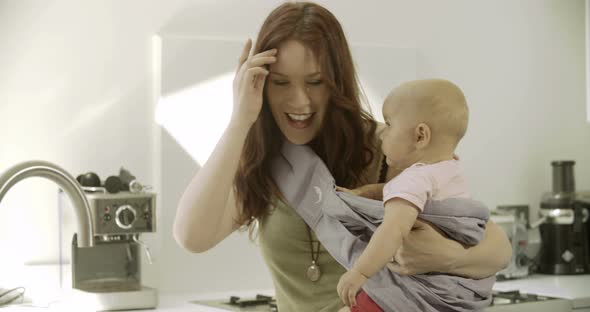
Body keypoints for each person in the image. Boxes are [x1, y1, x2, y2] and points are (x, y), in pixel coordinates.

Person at [173, 2, 511, 312]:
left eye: (315, 82)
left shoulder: (392, 148)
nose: (299, 101)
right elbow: (191, 236)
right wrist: (240, 119)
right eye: (280, 83)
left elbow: (496, 248)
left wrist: (448, 257)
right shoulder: (268, 162)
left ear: (337, 81)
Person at [336, 79, 491, 311]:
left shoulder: (415, 179)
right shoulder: (452, 170)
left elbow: (393, 230)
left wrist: (360, 272)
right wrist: (363, 194)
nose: (381, 135)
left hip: (421, 292)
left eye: (389, 125)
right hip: (458, 292)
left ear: (420, 136)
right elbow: (398, 194)